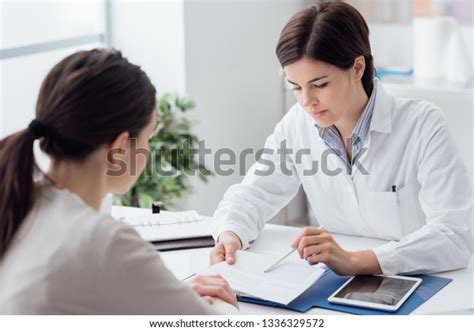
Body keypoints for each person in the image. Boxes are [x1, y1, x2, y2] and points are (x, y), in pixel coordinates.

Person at [210, 2, 473, 276]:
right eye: (296, 87)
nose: (306, 101)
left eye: (320, 85)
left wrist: (357, 261)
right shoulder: (298, 124)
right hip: (334, 281)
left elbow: (453, 235)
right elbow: (254, 192)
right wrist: (230, 233)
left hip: (421, 279)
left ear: (357, 67)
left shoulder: (422, 125)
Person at [0, 49, 238, 314]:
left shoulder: (17, 200)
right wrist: (221, 306)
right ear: (119, 149)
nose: (149, 150)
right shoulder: (105, 242)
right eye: (149, 137)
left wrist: (159, 298)